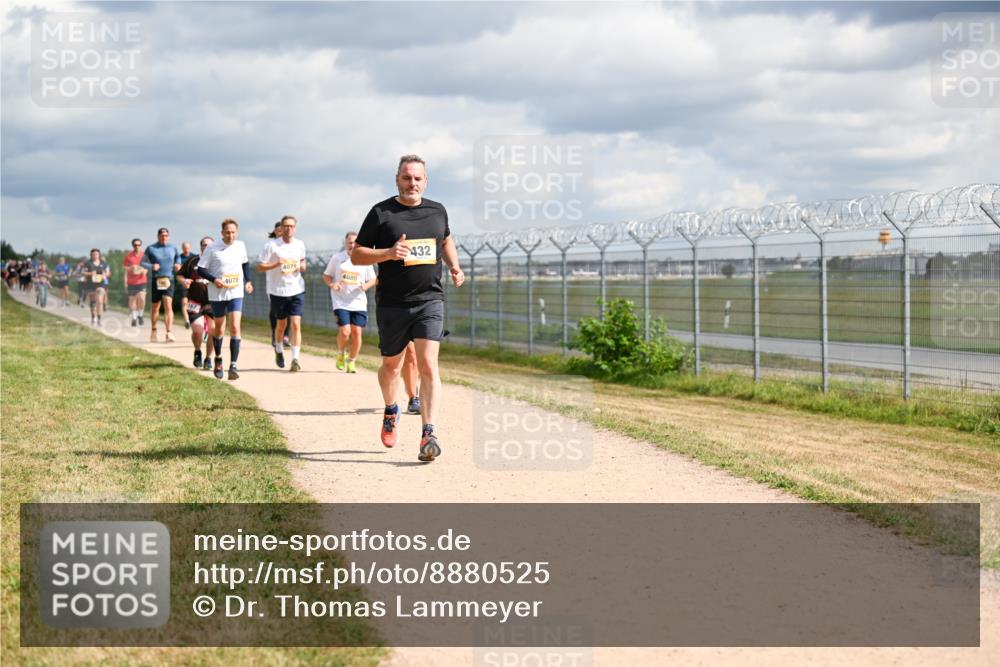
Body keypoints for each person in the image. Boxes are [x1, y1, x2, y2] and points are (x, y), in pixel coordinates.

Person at [351, 154, 465, 462]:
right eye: (406, 177)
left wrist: (455, 266)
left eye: (417, 178)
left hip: (430, 299)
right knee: (392, 366)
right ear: (397, 179)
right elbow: (357, 256)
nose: (412, 183)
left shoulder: (437, 210)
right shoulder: (381, 212)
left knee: (428, 364)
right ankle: (391, 409)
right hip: (392, 303)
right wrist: (388, 253)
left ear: (425, 181)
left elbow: (447, 240)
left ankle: (429, 432)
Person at [197, 219, 253, 380]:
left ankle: (233, 365)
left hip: (236, 292)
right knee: (220, 329)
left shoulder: (240, 245)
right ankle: (219, 358)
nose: (231, 235)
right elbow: (201, 269)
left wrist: (248, 281)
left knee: (235, 326)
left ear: (237, 232)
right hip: (217, 294)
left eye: (233, 232)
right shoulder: (212, 248)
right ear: (222, 233)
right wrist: (214, 280)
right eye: (227, 232)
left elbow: (245, 264)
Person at [257, 215, 306, 372]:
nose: (288, 229)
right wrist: (277, 264)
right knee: (281, 325)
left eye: (291, 226)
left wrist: (302, 266)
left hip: (297, 289)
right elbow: (261, 267)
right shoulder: (271, 246)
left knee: (296, 324)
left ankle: (296, 359)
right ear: (281, 228)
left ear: (295, 228)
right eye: (286, 226)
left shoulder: (300, 244)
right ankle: (278, 350)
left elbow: (303, 261)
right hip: (277, 291)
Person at [323, 231, 376, 374]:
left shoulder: (365, 260)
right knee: (345, 331)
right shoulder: (337, 258)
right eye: (350, 242)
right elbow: (327, 276)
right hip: (340, 301)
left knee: (357, 332)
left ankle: (352, 361)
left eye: (355, 242)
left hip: (358, 301)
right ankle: (341, 353)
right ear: (346, 243)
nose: (352, 245)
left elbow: (373, 279)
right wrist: (332, 285)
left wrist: (366, 285)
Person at [178, 236, 215, 370]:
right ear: (201, 247)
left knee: (213, 331)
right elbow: (180, 275)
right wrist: (184, 281)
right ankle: (198, 351)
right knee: (198, 329)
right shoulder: (192, 260)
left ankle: (209, 358)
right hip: (195, 301)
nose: (207, 247)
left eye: (210, 245)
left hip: (213, 301)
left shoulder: (217, 261)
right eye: (204, 245)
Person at [142, 227, 181, 342]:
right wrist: (151, 266)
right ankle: (153, 330)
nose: (164, 238)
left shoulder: (173, 247)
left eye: (166, 236)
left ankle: (169, 333)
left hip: (169, 279)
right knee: (155, 307)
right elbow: (142, 262)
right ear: (158, 236)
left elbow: (178, 257)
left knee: (168, 304)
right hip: (156, 280)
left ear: (168, 237)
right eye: (162, 236)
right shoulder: (151, 248)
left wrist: (178, 263)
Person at [123, 238, 148, 326]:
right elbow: (125, 267)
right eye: (135, 245)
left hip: (142, 281)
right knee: (132, 301)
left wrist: (145, 270)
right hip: (131, 282)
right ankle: (134, 317)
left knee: (142, 298)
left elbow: (148, 267)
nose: (137, 246)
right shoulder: (128, 256)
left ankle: (140, 315)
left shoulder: (144, 256)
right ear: (133, 245)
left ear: (141, 245)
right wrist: (131, 268)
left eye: (139, 245)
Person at [82, 248, 110, 326]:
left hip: (101, 284)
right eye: (93, 254)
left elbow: (108, 272)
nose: (95, 256)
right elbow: (84, 273)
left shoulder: (104, 263)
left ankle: (99, 319)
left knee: (100, 302)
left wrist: (105, 275)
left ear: (99, 255)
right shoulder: (88, 263)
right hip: (91, 284)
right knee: (93, 303)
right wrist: (91, 273)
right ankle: (93, 317)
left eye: (97, 254)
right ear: (91, 255)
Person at [177, 241, 193, 329]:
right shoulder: (179, 258)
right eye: (184, 248)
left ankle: (192, 318)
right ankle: (187, 320)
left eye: (187, 248)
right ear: (182, 248)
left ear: (190, 248)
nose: (186, 249)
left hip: (193, 283)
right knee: (184, 302)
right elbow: (177, 271)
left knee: (192, 303)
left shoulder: (194, 257)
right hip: (183, 282)